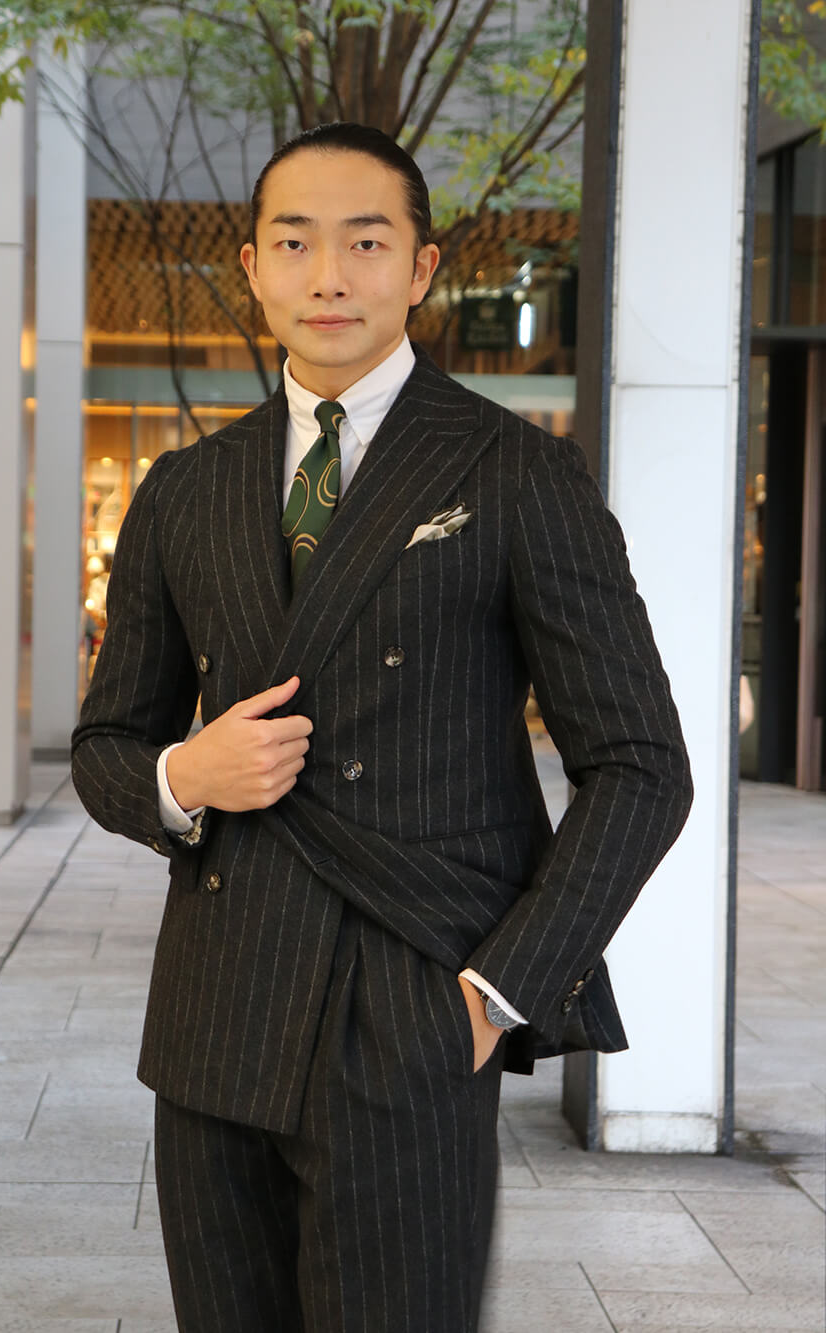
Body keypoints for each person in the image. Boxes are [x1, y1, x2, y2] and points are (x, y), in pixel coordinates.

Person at [71, 121, 693, 1333]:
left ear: (421, 269)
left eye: (365, 243)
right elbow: (107, 749)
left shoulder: (515, 471)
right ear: (251, 268)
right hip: (213, 1013)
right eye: (294, 243)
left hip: (410, 1002)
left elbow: (640, 765)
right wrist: (185, 774)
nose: (329, 276)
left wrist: (495, 992)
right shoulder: (185, 490)